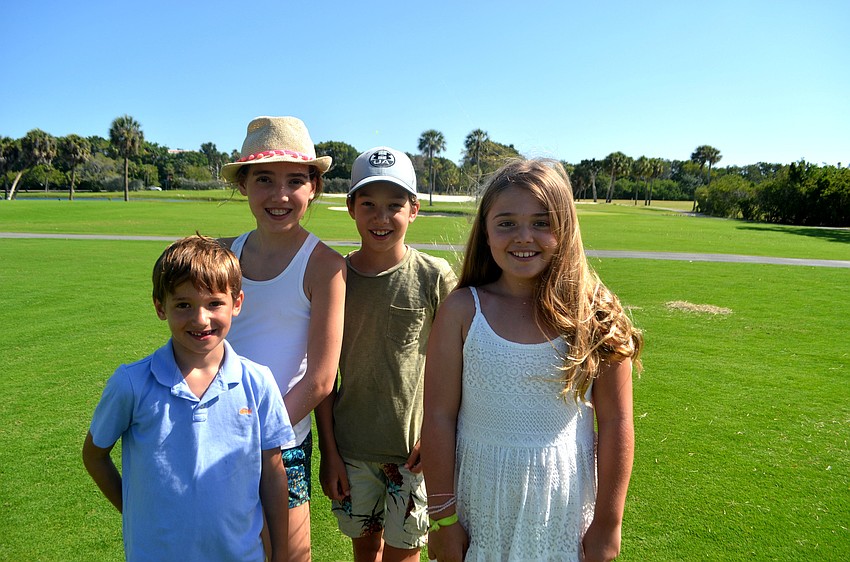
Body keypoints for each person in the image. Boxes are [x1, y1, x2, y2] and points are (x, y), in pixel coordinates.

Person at [421, 159, 643, 562]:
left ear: (566, 228)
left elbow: (616, 422)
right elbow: (438, 417)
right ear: (485, 231)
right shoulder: (462, 310)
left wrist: (609, 522)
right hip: (479, 507)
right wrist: (443, 520)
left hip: (563, 509)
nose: (524, 237)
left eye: (542, 222)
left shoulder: (596, 314)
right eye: (506, 223)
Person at [82, 234, 293, 562]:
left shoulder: (258, 382)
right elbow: (94, 456)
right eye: (183, 305)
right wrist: (136, 511)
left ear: (237, 303)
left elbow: (273, 472)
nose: (200, 319)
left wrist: (281, 553)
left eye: (214, 303)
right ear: (159, 306)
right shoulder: (132, 383)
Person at [316, 147, 457, 562]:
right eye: (369, 205)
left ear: (413, 210)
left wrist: (434, 436)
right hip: (352, 450)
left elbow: (458, 368)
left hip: (412, 453)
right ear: (351, 208)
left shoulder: (434, 277)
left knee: (404, 556)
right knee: (365, 553)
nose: (381, 217)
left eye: (394, 205)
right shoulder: (334, 279)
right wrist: (330, 451)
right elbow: (323, 375)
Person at [219, 116, 346, 561]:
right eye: (264, 180)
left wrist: (258, 432)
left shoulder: (325, 265)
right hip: (216, 433)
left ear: (313, 186)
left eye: (295, 180)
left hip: (282, 439)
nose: (280, 195)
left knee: (288, 555)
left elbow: (320, 380)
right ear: (244, 186)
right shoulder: (220, 255)